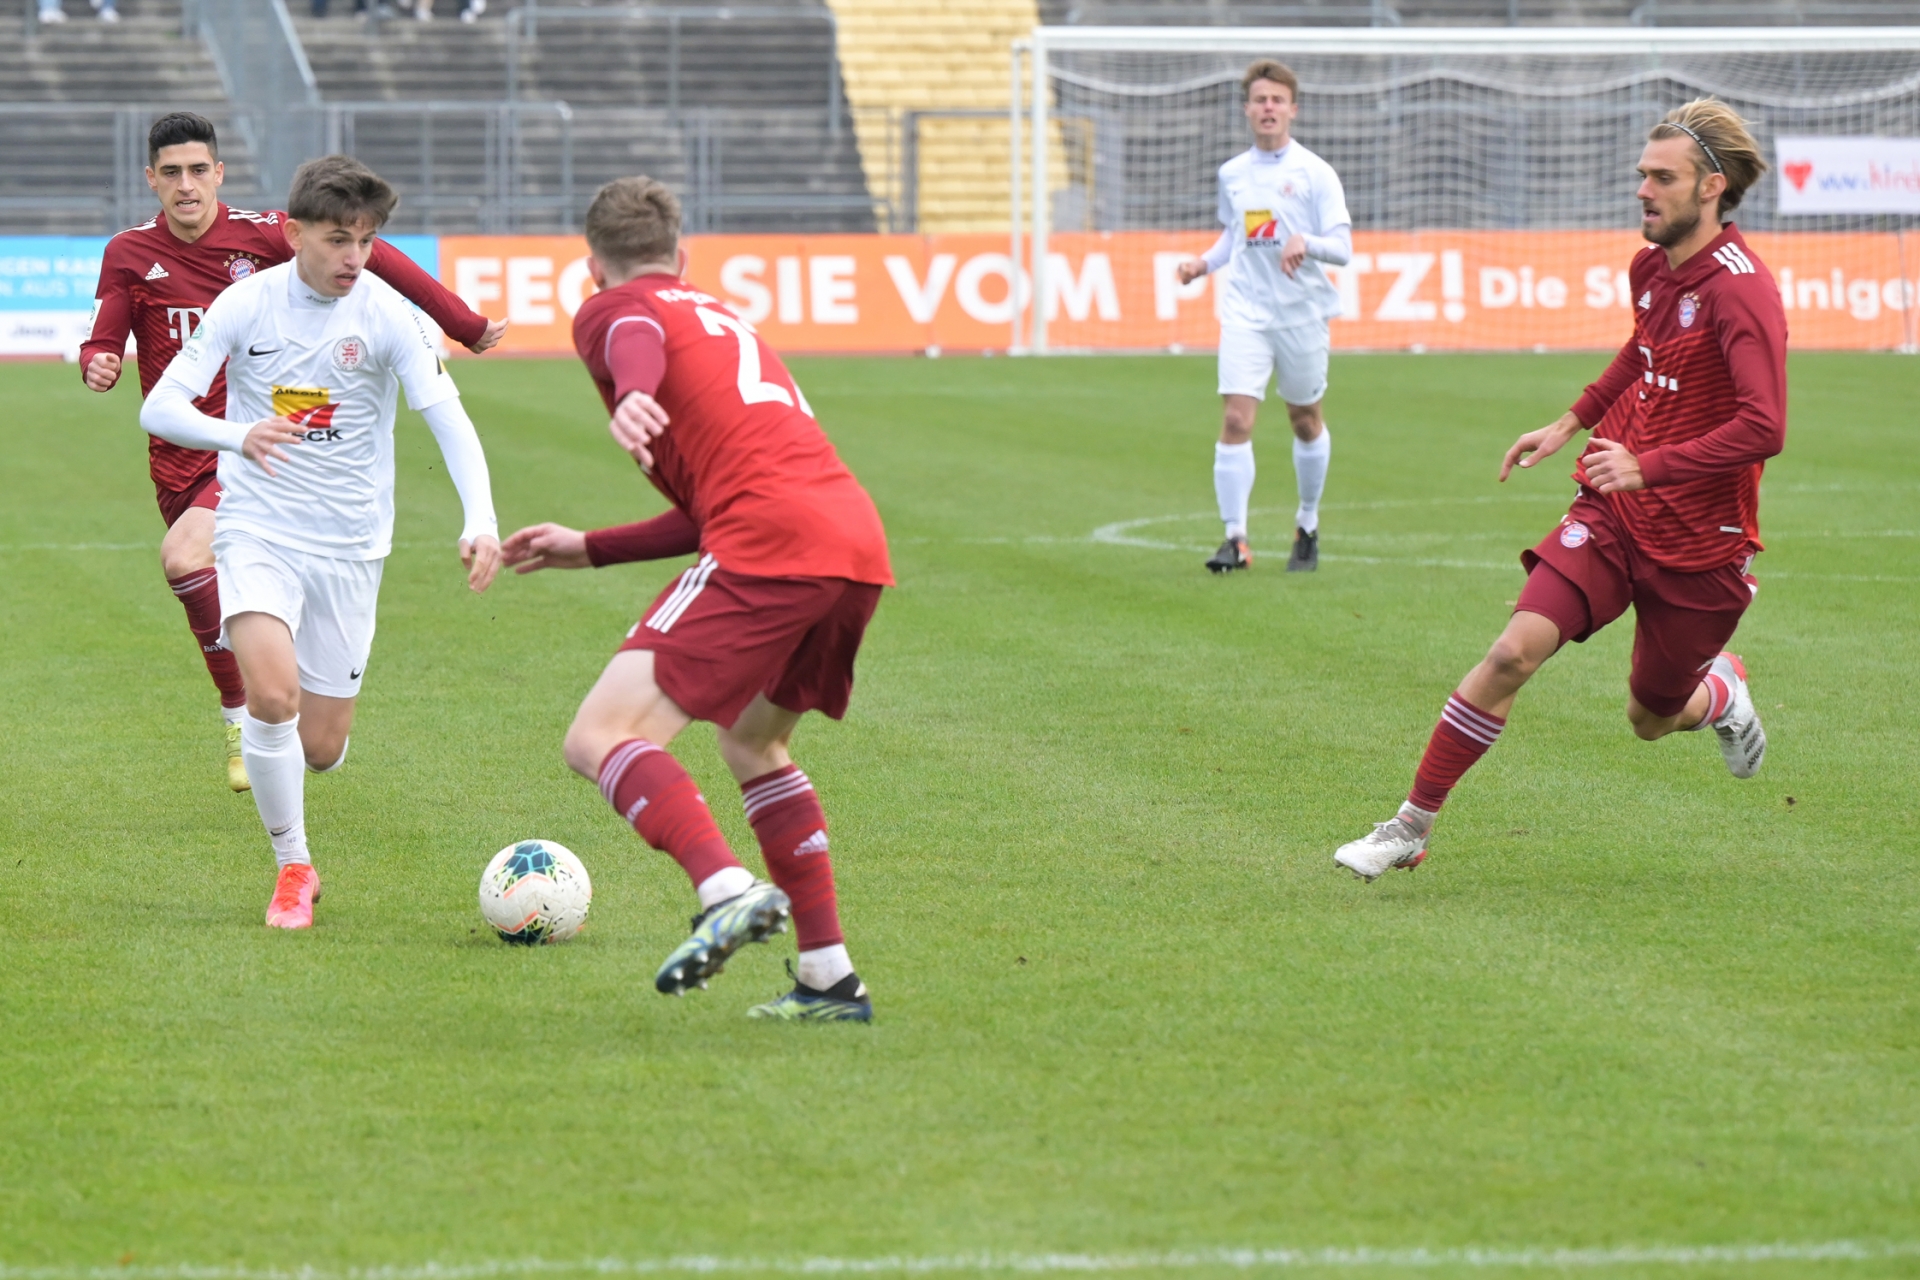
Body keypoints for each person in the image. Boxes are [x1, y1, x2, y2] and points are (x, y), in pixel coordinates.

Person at [1333, 100, 1780, 882]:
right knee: (1512, 652)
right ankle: (1408, 826)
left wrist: (1650, 466)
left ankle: (1719, 691)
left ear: (1712, 187)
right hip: (1613, 509)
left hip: (1700, 543)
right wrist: (1572, 422)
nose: (1643, 189)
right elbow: (1641, 351)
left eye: (1662, 178)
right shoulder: (1649, 267)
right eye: (1642, 174)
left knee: (1651, 717)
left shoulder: (1742, 292)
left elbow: (1764, 425)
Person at [501, 176, 891, 1022]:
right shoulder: (717, 313)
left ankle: (724, 890)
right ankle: (829, 979)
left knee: (599, 736)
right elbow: (705, 507)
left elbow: (632, 330)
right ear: (683, 256)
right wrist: (591, 547)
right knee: (754, 742)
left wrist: (635, 390)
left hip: (771, 541)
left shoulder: (614, 310)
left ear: (592, 268)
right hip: (852, 542)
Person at [82, 113, 503, 793]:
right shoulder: (129, 250)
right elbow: (107, 326)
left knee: (185, 557)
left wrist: (463, 323)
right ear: (151, 179)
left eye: (199, 170)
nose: (187, 185)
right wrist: (97, 359)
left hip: (263, 448)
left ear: (219, 173)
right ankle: (270, 693)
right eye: (172, 173)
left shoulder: (269, 234)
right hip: (180, 450)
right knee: (205, 585)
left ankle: (242, 711)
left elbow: (375, 255)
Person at [139, 155, 502, 929]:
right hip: (257, 528)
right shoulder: (246, 303)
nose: (355, 257)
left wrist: (481, 519)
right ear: (295, 233)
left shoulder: (387, 314)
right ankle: (293, 867)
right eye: (339, 240)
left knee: (321, 747)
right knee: (272, 697)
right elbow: (160, 407)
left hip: (350, 548)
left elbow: (449, 418)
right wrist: (238, 435)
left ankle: (297, 774)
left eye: (366, 241)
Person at [1177, 59, 1351, 574]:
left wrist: (1307, 242)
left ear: (1293, 109)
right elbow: (1236, 234)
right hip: (1245, 313)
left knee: (1305, 421)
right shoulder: (1233, 173)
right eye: (1260, 100)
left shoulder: (1315, 172)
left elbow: (1342, 248)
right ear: (1247, 109)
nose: (1268, 108)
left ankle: (1307, 523)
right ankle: (1235, 539)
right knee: (1236, 418)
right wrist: (1203, 264)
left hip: (1301, 315)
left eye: (1277, 100)